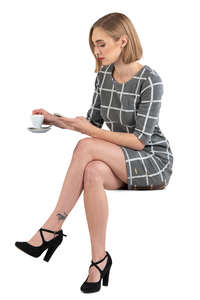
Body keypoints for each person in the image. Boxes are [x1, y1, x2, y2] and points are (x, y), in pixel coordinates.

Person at [15, 12, 174, 293]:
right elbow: (92, 122)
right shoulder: (103, 76)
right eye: (93, 45)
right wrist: (56, 120)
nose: (96, 52)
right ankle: (98, 261)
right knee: (92, 171)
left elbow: (139, 141)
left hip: (152, 160)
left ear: (122, 41)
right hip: (121, 158)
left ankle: (52, 227)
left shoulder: (150, 80)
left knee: (86, 146)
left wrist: (88, 132)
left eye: (101, 44)